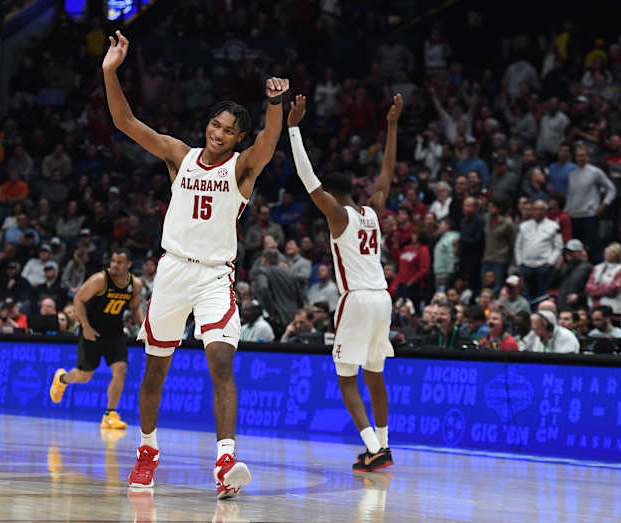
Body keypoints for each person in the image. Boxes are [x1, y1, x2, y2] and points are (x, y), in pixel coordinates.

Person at [102, 31, 289, 496]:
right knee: (155, 370)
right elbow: (125, 121)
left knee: (221, 362)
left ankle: (226, 462)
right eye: (216, 124)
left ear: (237, 139)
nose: (219, 132)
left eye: (229, 130)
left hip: (214, 276)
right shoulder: (178, 156)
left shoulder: (241, 169)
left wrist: (275, 104)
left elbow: (268, 143)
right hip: (172, 271)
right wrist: (110, 70)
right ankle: (147, 452)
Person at [286, 93, 401, 472]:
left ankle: (372, 446)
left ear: (334, 195)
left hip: (356, 300)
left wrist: (293, 129)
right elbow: (386, 176)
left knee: (346, 378)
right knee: (375, 375)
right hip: (383, 298)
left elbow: (308, 180)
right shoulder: (373, 211)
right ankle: (382, 444)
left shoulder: (338, 215)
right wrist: (392, 126)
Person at [49, 248, 143, 431]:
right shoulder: (100, 280)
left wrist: (143, 328)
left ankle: (110, 414)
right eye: (113, 261)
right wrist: (85, 326)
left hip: (115, 333)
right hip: (92, 331)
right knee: (84, 376)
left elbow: (134, 306)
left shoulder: (135, 284)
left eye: (119, 262)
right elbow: (78, 299)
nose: (115, 265)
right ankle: (62, 379)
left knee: (121, 369)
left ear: (129, 265)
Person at [565, 145, 615, 259]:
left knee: (591, 248)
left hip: (589, 216)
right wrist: (566, 212)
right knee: (575, 249)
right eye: (578, 156)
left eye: (583, 155)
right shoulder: (572, 174)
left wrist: (604, 204)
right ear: (575, 157)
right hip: (573, 216)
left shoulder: (595, 172)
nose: (580, 158)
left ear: (587, 157)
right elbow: (570, 196)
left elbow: (611, 188)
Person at [514, 200, 563, 303]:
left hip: (543, 265)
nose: (537, 212)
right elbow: (518, 246)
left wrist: (550, 262)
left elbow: (558, 247)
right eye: (535, 209)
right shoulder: (524, 226)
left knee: (542, 295)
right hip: (526, 265)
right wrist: (520, 262)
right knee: (527, 294)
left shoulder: (553, 226)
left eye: (541, 209)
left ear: (545, 211)